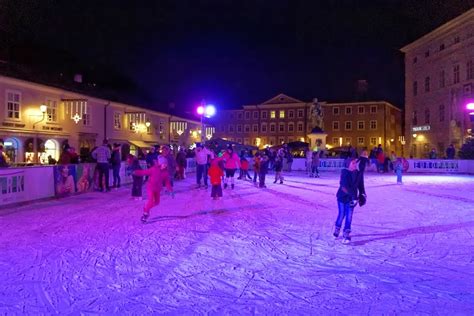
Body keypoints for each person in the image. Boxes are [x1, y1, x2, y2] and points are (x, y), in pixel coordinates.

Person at [334, 158, 359, 244]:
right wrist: (352, 195)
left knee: (349, 216)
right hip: (342, 197)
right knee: (342, 214)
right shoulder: (344, 173)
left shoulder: (356, 173)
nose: (355, 165)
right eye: (353, 163)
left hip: (351, 198)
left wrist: (359, 196)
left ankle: (346, 234)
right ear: (348, 164)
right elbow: (343, 187)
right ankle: (337, 228)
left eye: (355, 163)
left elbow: (358, 186)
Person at [133, 157, 164, 223]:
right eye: (163, 164)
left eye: (165, 164)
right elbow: (144, 172)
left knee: (157, 202)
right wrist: (136, 172)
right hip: (150, 187)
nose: (164, 165)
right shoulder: (154, 169)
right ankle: (145, 214)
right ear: (160, 163)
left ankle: (146, 207)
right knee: (150, 201)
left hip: (157, 189)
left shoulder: (164, 171)